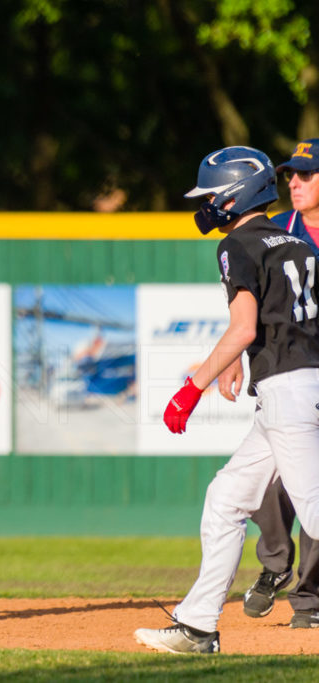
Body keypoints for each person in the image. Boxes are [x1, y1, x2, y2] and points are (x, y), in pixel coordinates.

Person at [134, 146, 319, 654]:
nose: (208, 203)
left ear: (237, 192)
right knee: (225, 500)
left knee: (315, 511)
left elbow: (243, 327)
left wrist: (190, 389)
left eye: (214, 193)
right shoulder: (298, 244)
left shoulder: (238, 244)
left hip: (287, 390)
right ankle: (197, 626)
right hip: (301, 385)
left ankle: (198, 626)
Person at [220, 139, 319, 629]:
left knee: (309, 489)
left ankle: (308, 600)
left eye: (307, 173)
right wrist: (235, 352)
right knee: (267, 484)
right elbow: (257, 305)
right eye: (290, 175)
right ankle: (277, 564)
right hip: (298, 371)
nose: (294, 182)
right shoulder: (285, 234)